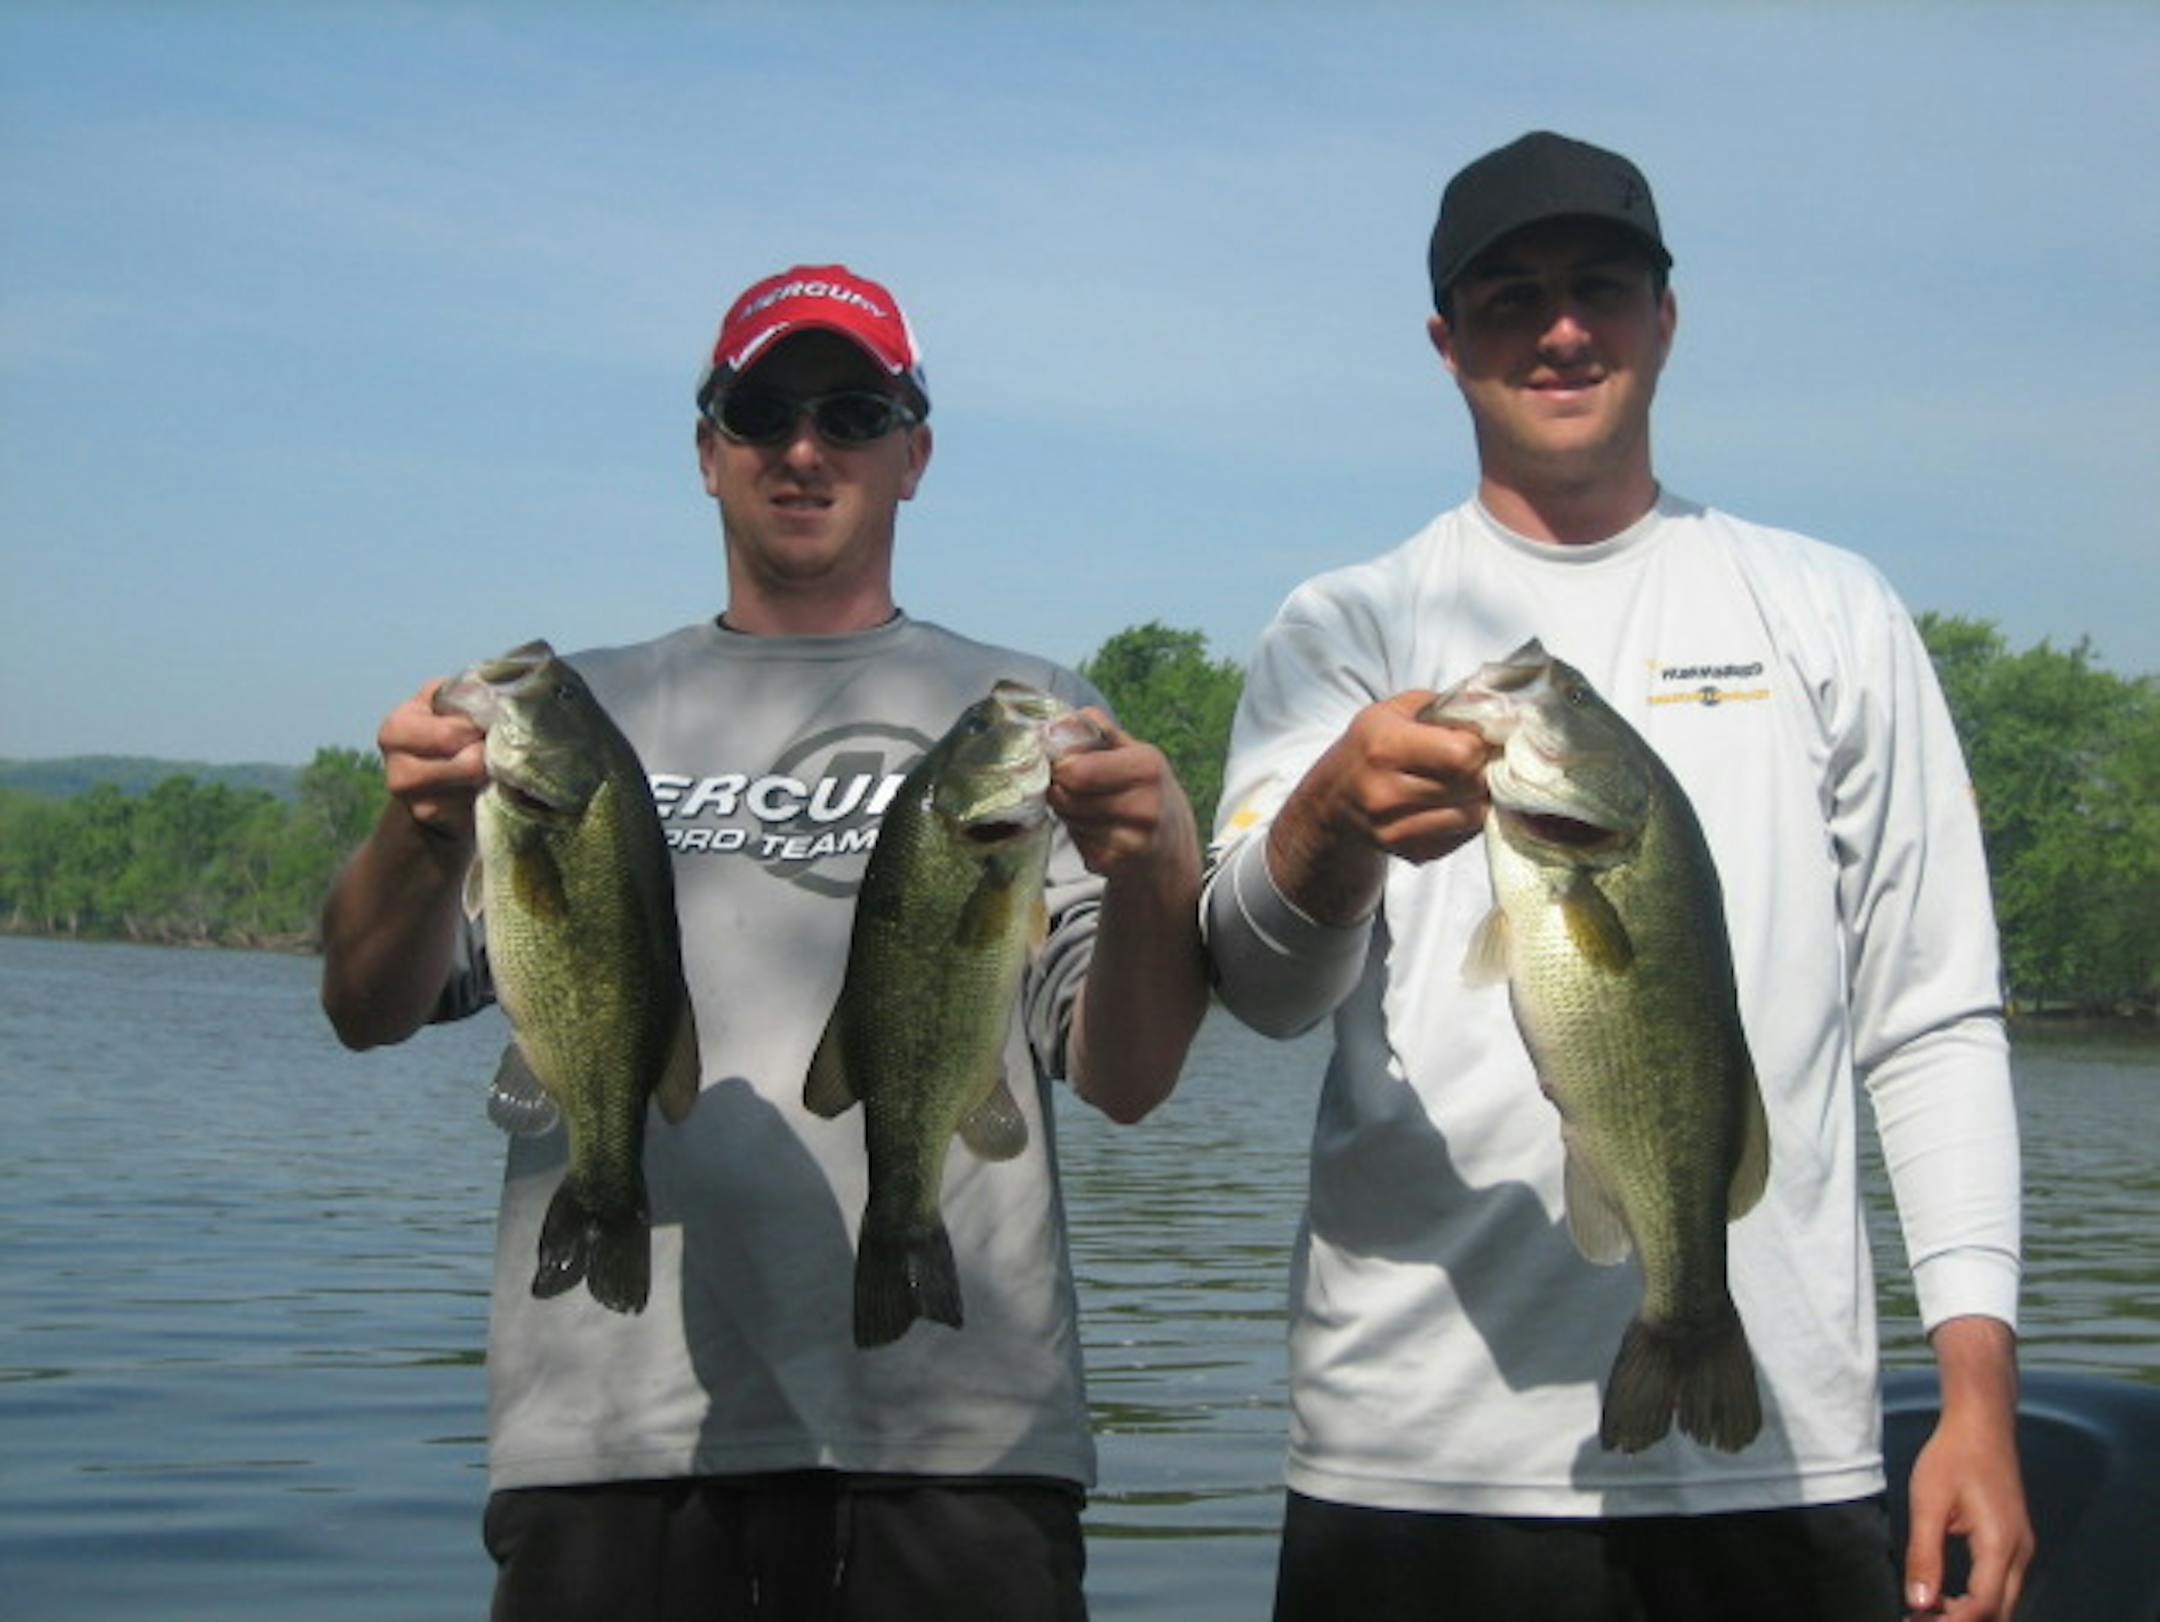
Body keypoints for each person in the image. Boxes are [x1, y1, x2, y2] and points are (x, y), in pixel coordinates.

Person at [1201, 133, 2034, 1621]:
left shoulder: (1829, 609)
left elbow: (1933, 1018)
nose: (1562, 327)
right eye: (1512, 297)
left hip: (1780, 1452)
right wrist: (1328, 817)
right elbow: (1259, 991)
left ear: (1666, 314)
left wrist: (1974, 1395)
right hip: (1415, 1462)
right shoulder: (1344, 626)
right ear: (1449, 343)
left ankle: (1690, 1304)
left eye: (1599, 286)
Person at [320, 264, 1210, 1622]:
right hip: (610, 1440)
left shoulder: (1040, 719)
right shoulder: (587, 713)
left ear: (914, 454)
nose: (805, 448)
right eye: (761, 411)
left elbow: (1130, 1076)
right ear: (706, 451)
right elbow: (369, 1002)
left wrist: (1157, 873)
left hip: (958, 1441)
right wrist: (421, 833)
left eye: (853, 412)